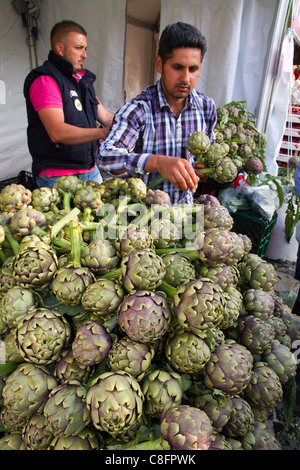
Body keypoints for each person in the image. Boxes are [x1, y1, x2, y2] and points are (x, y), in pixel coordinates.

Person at [97, 21, 217, 205]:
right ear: (160, 64)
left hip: (185, 212)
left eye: (193, 69)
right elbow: (106, 157)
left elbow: (209, 155)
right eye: (177, 67)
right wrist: (156, 162)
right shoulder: (138, 109)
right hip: (143, 220)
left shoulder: (206, 108)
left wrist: (203, 170)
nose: (186, 78)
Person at [24, 20, 113, 188]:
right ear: (60, 48)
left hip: (90, 170)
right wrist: (102, 133)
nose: (85, 55)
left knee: (104, 213)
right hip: (58, 176)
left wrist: (133, 125)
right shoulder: (46, 81)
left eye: (85, 49)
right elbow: (57, 132)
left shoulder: (83, 81)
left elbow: (107, 117)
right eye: (79, 48)